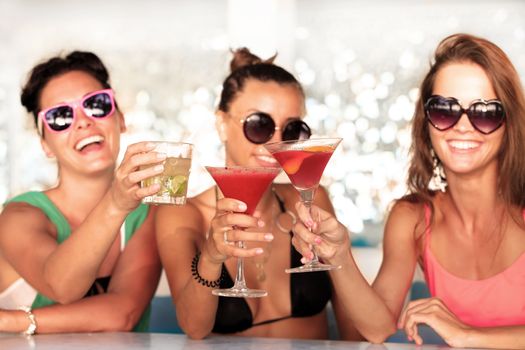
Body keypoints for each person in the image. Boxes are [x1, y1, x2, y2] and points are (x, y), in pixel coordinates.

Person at [291, 33, 525, 349]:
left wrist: (467, 335)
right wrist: (341, 255)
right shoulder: (413, 217)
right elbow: (378, 329)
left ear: (510, 123)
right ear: (426, 123)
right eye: (445, 109)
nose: (463, 126)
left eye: (486, 111)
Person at [156, 48, 350, 339]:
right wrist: (210, 256)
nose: (275, 142)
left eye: (291, 128)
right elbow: (194, 327)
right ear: (222, 124)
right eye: (259, 125)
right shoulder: (182, 215)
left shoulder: (309, 198)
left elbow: (354, 331)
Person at [0, 51, 162, 334]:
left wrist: (9, 321)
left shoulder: (148, 215)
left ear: (120, 120)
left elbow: (122, 314)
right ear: (45, 145)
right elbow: (62, 285)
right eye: (60, 116)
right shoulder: (18, 217)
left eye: (96, 105)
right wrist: (116, 203)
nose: (83, 121)